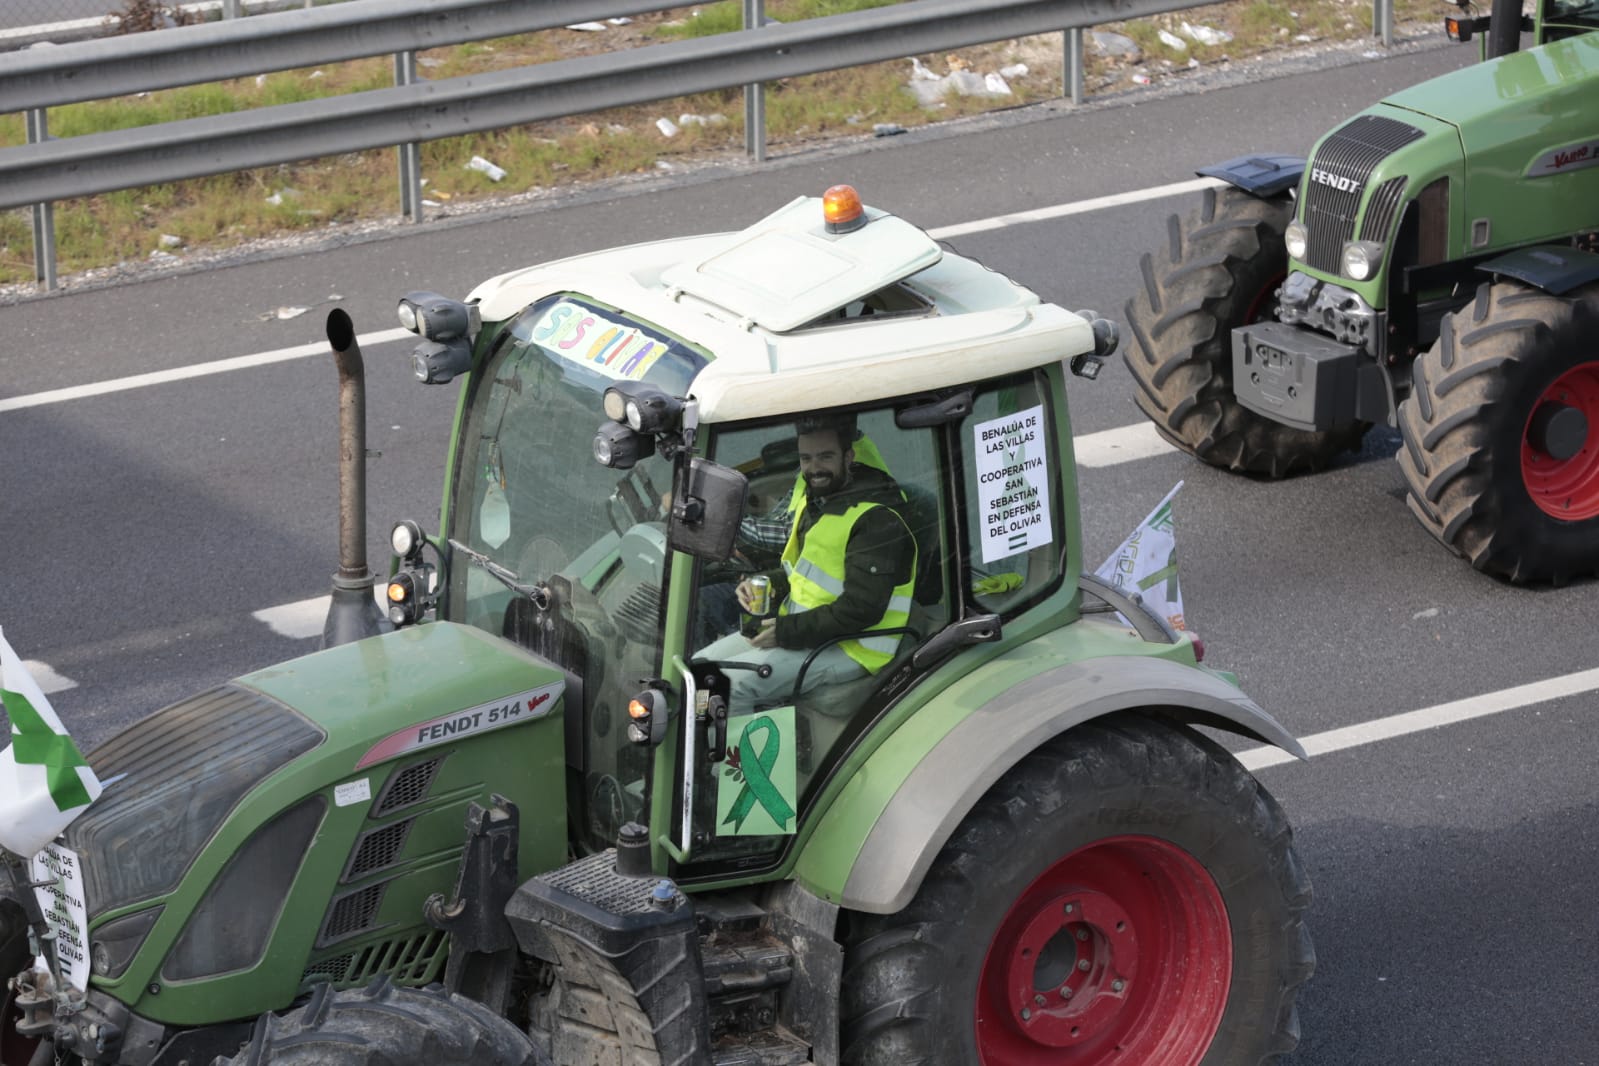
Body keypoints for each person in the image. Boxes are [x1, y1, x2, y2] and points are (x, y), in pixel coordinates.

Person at [697, 414, 916, 705]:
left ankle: (730, 752)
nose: (814, 469)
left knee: (725, 690)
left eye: (825, 457)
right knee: (697, 670)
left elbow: (861, 610)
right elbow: (808, 571)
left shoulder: (875, 519)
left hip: (853, 646)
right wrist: (765, 583)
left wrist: (785, 633)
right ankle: (702, 738)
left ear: (848, 457)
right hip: (809, 628)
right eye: (806, 459)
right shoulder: (821, 501)